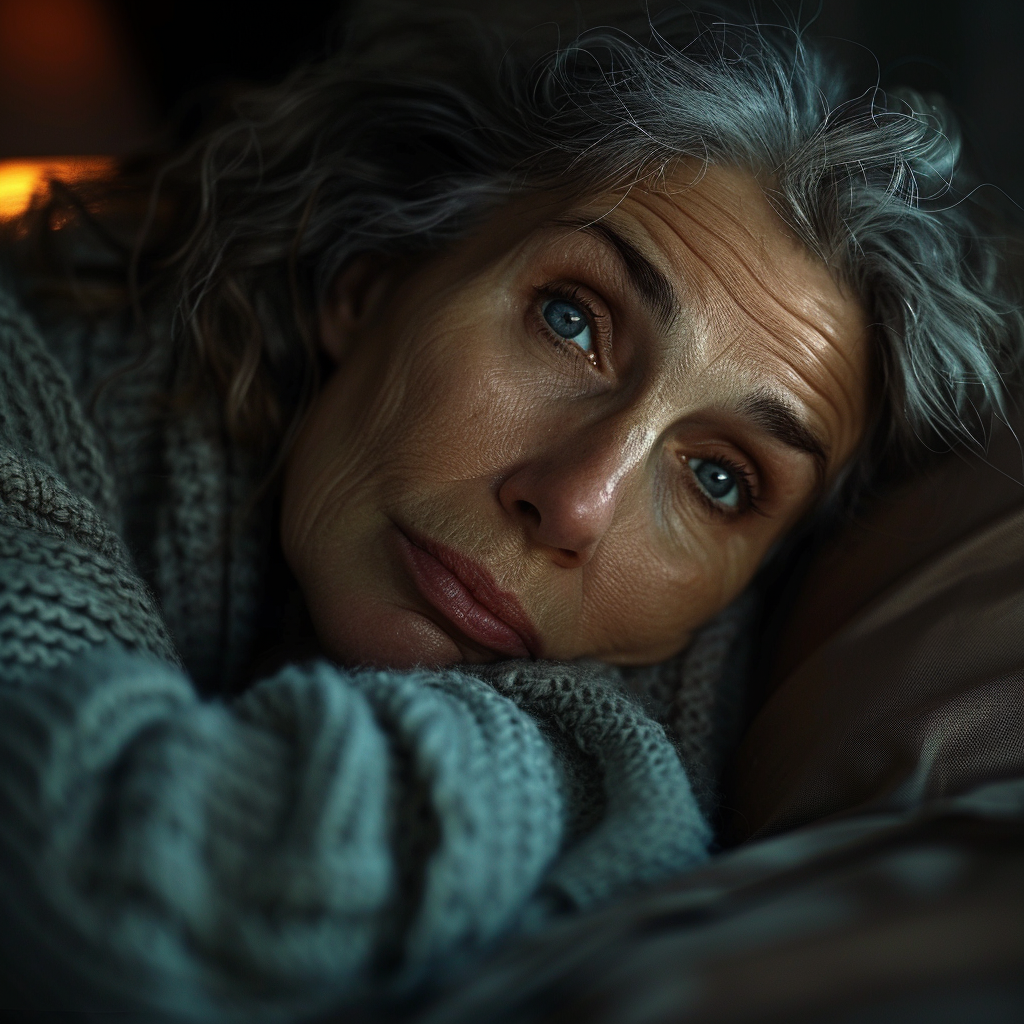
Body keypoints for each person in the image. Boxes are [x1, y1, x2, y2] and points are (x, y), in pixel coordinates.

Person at [0, 2, 1018, 1020]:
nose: (576, 501)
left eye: (719, 480)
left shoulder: (637, 746)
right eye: (571, 321)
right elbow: (101, 879)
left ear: (737, 594)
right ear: (371, 281)